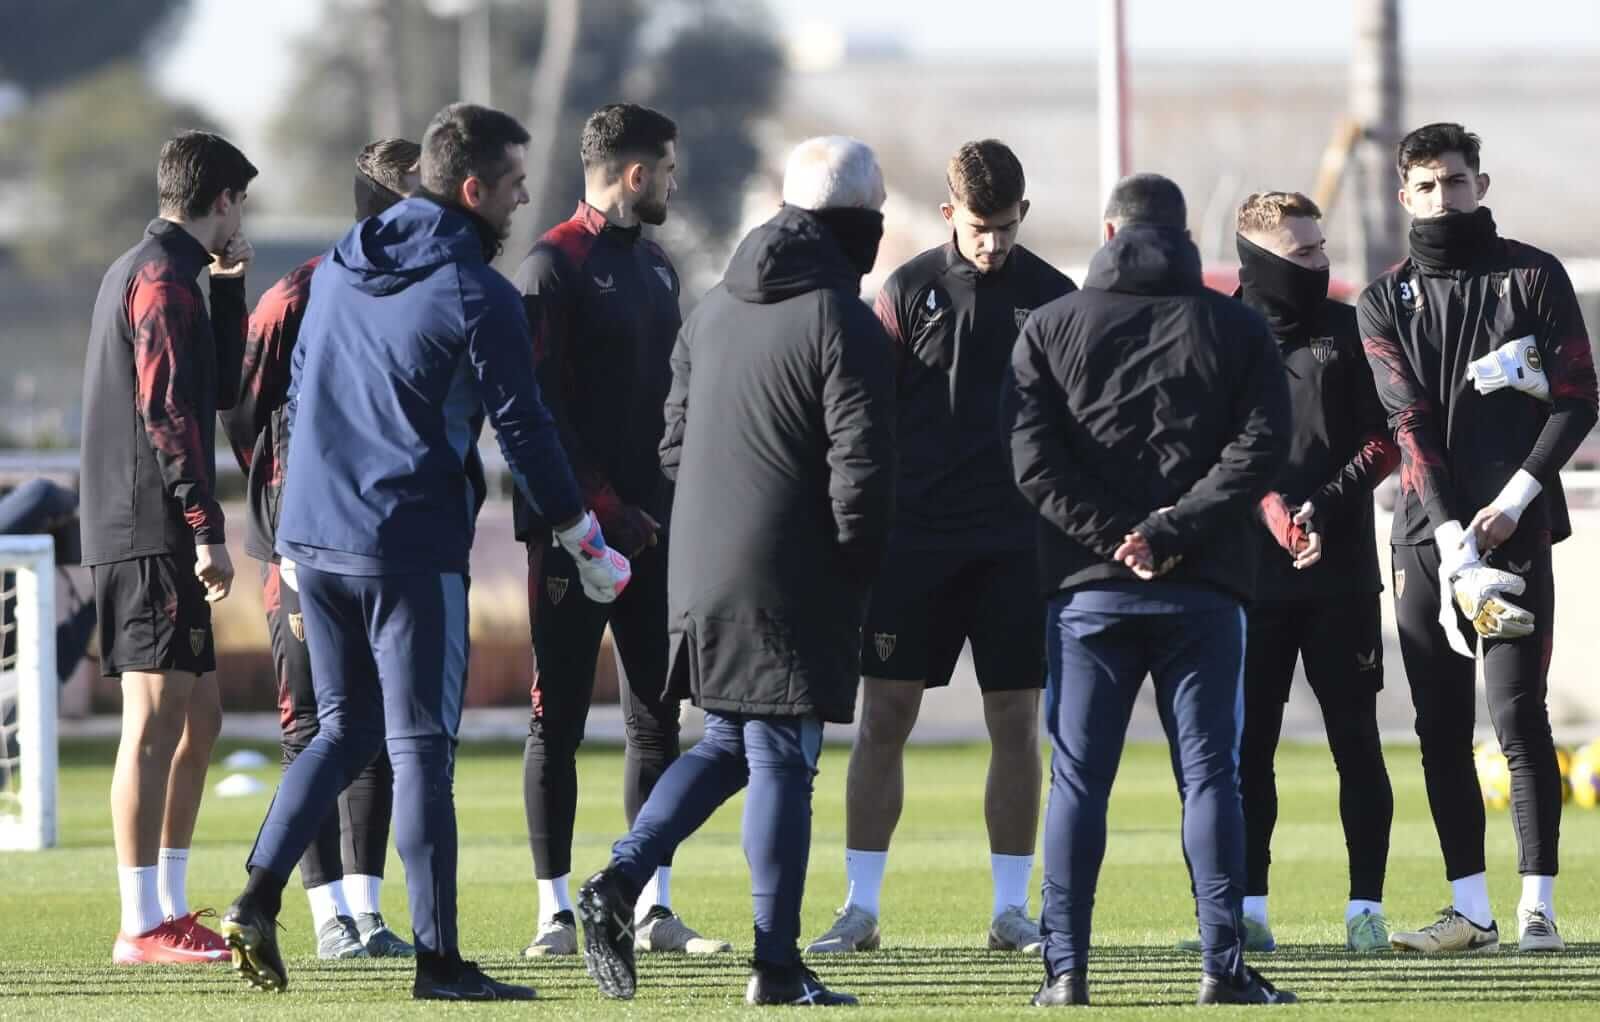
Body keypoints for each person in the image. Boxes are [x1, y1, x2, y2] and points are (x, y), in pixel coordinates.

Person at [218, 102, 631, 1002]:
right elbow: (523, 429)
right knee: (418, 749)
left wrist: (288, 531)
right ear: (474, 188)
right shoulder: (475, 290)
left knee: (341, 731)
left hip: (314, 539)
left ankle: (255, 899)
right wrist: (580, 535)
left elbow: (297, 399)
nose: (526, 199)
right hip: (405, 543)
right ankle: (439, 963)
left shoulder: (336, 268)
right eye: (517, 183)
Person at [574, 136, 896, 1007]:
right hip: (790, 571)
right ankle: (777, 965)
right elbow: (860, 467)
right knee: (784, 757)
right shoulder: (841, 321)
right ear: (857, 224)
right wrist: (861, 567)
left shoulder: (713, 307)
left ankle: (617, 879)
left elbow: (672, 442)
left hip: (700, 562)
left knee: (724, 743)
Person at [1007, 173, 1296, 1006]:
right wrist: (1174, 529)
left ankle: (1065, 974)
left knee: (1077, 783)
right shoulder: (1234, 327)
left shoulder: (1052, 326)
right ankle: (1222, 969)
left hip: (1087, 592)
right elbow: (1261, 448)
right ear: (1183, 234)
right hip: (1202, 586)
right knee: (1212, 780)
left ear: (1108, 230)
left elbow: (1032, 459)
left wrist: (1112, 538)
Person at [807, 139, 1075, 957]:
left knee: (1016, 726)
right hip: (914, 543)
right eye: (980, 226)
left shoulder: (1054, 297)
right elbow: (860, 415)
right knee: (883, 719)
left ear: (1023, 214)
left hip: (1012, 547)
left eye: (1007, 226)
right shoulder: (905, 290)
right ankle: (859, 909)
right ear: (949, 213)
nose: (993, 243)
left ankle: (1008, 910)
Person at [1359, 123, 1597, 954]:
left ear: (1482, 185)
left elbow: (1578, 398)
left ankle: (1537, 909)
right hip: (1429, 539)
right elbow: (1409, 423)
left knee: (1519, 716)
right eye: (1425, 186)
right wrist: (1457, 537)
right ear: (1404, 196)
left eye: (1455, 183)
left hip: (1518, 527)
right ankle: (1472, 913)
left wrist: (1516, 498)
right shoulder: (1382, 300)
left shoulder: (1533, 274)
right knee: (1437, 727)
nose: (1442, 199)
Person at [514, 103, 726, 958]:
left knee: (657, 720)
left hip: (657, 532)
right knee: (555, 722)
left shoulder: (662, 268)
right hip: (574, 537)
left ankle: (648, 906)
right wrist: (602, 512)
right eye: (669, 170)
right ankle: (553, 914)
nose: (675, 184)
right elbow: (537, 413)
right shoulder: (549, 268)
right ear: (637, 173)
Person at [1177, 191, 1399, 954]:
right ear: (1262, 257)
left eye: (1322, 247)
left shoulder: (1349, 327)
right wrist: (1274, 511)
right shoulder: (1217, 334)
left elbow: (1385, 441)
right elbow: (1211, 449)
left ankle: (1365, 908)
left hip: (1340, 578)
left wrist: (1322, 510)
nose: (1321, 263)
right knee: (1247, 754)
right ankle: (1250, 911)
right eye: (1304, 253)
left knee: (1357, 745)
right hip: (1248, 582)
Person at [220, 138, 423, 961]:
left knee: (370, 725)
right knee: (314, 725)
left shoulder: (423, 287)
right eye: (415, 191)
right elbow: (244, 408)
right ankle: (323, 914)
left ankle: (367, 915)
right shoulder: (304, 288)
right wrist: (277, 503)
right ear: (381, 195)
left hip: (383, 540)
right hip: (300, 544)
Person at [80, 130, 255, 965]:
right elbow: (168, 413)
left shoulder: (178, 273)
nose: (241, 220)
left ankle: (172, 906)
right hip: (147, 526)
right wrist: (203, 526)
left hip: (155, 524)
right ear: (222, 200)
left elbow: (219, 388)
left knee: (202, 717)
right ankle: (140, 923)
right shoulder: (156, 277)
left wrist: (230, 287)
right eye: (240, 205)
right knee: (151, 721)